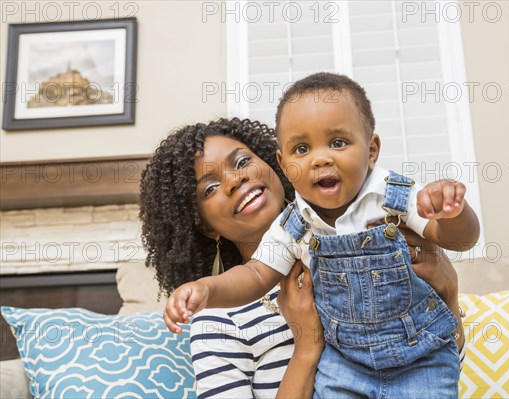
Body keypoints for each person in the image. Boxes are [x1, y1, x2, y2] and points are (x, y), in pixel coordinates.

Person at [164, 73, 478, 396]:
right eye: (211, 187)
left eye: (242, 161)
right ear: (285, 164)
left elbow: (459, 242)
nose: (234, 181)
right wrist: (207, 289)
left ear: (371, 151)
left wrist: (452, 225)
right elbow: (256, 274)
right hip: (345, 370)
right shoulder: (223, 313)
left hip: (419, 357)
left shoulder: (390, 200)